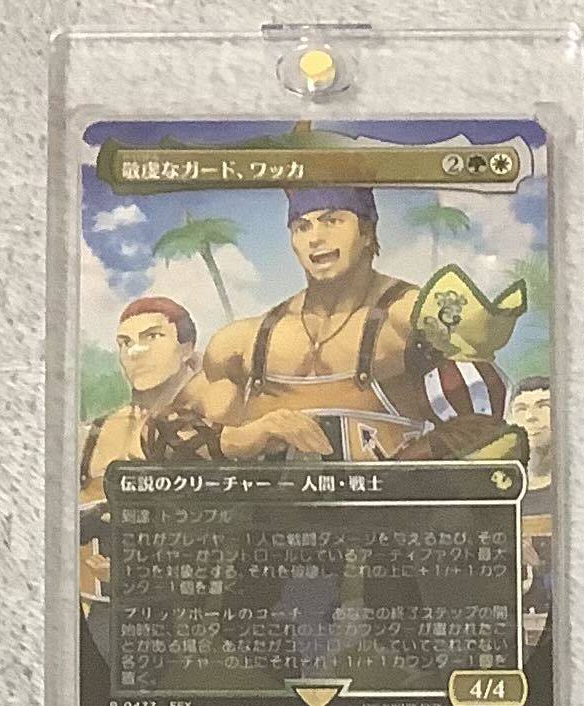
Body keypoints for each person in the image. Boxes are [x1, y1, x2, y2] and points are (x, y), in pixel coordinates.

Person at [203, 186, 519, 466]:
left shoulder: (409, 317)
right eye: (301, 227)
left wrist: (395, 476)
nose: (315, 238)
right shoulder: (240, 343)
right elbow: (189, 439)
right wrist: (245, 437)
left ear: (367, 232)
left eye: (332, 221)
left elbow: (486, 428)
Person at [79, 294, 217, 501]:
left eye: (152, 336)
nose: (134, 352)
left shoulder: (218, 418)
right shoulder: (97, 431)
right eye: (125, 343)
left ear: (186, 349)